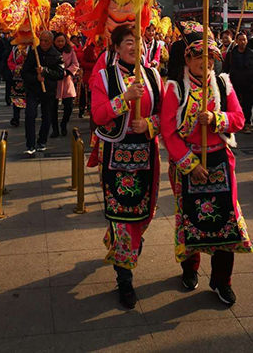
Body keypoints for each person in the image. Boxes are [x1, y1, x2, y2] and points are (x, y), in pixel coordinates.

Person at [161, 26, 253, 306]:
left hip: (220, 161)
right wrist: (189, 164)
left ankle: (222, 280)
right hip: (187, 162)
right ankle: (189, 270)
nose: (205, 62)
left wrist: (215, 118)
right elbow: (168, 131)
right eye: (198, 56)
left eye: (210, 56)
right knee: (191, 220)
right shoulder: (175, 88)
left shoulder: (223, 84)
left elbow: (238, 119)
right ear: (187, 59)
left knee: (226, 220)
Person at [90, 24, 163, 309]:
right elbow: (97, 115)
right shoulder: (103, 77)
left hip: (146, 153)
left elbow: (164, 115)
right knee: (121, 218)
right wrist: (124, 100)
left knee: (143, 215)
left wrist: (149, 124)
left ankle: (125, 246)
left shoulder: (154, 76)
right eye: (129, 41)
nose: (136, 46)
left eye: (140, 41)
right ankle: (125, 279)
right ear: (117, 47)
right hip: (115, 156)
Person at [21, 31, 64, 154]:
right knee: (30, 115)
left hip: (48, 91)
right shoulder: (33, 53)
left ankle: (42, 141)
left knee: (47, 117)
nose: (44, 43)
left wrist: (45, 71)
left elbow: (60, 74)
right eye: (42, 40)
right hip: (33, 90)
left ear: (51, 41)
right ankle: (30, 144)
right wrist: (36, 78)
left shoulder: (56, 55)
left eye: (46, 40)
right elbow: (25, 72)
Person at [224, 32, 253, 133]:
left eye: (244, 40)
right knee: (235, 104)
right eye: (240, 40)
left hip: (249, 84)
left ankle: (247, 123)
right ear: (236, 41)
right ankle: (235, 123)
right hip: (235, 83)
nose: (242, 42)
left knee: (247, 104)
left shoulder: (252, 53)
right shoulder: (231, 54)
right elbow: (226, 68)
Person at [51, 33, 79, 137]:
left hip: (66, 80)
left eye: (62, 41)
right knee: (52, 107)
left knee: (68, 106)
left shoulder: (70, 50)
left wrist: (67, 72)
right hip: (54, 81)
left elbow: (75, 64)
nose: (60, 43)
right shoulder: (51, 51)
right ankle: (55, 129)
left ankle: (64, 123)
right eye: (58, 41)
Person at [8, 44, 28, 127]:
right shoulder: (15, 49)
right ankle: (16, 117)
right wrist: (16, 67)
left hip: (29, 77)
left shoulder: (33, 47)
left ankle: (29, 117)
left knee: (29, 98)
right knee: (17, 97)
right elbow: (10, 61)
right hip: (17, 78)